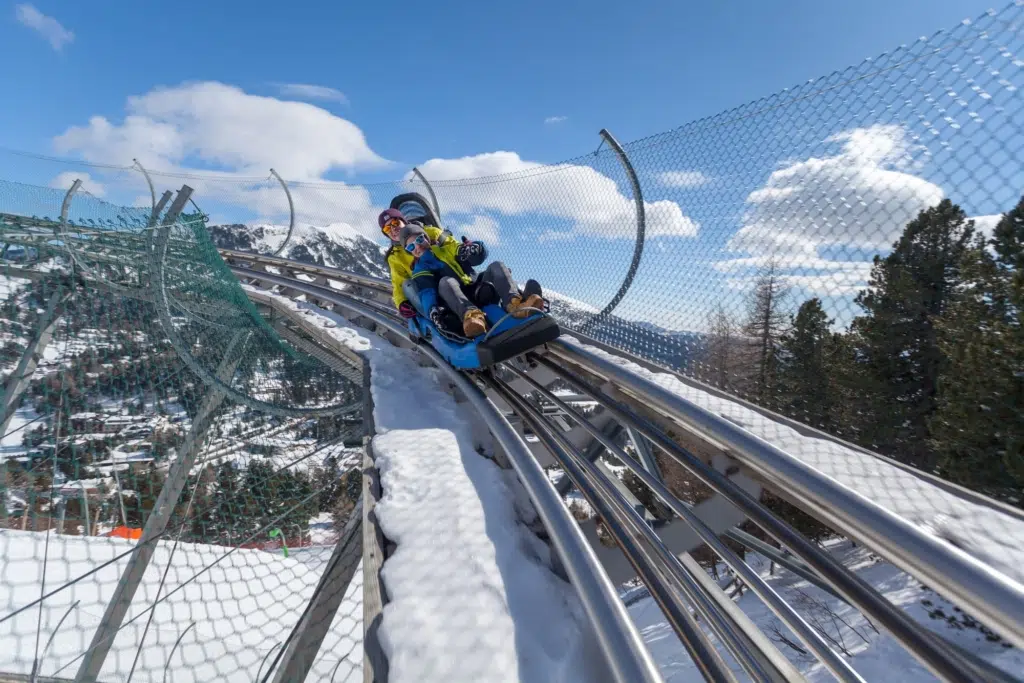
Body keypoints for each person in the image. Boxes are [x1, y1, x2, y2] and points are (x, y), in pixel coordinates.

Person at [400, 223, 544, 338]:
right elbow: (426, 291)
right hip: (455, 300)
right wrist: (432, 309)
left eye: (419, 239)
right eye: (411, 246)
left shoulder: (446, 249)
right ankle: (472, 318)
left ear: (425, 237)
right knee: (445, 281)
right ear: (409, 251)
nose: (417, 246)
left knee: (496, 265)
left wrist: (474, 249)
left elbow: (466, 252)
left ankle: (515, 305)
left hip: (477, 289)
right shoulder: (420, 269)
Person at [379, 208, 447, 319]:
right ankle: (434, 318)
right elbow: (399, 283)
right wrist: (401, 302)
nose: (393, 229)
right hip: (425, 287)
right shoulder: (395, 256)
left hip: (446, 275)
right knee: (408, 284)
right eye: (387, 228)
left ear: (403, 220)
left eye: (395, 223)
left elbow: (451, 245)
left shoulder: (430, 233)